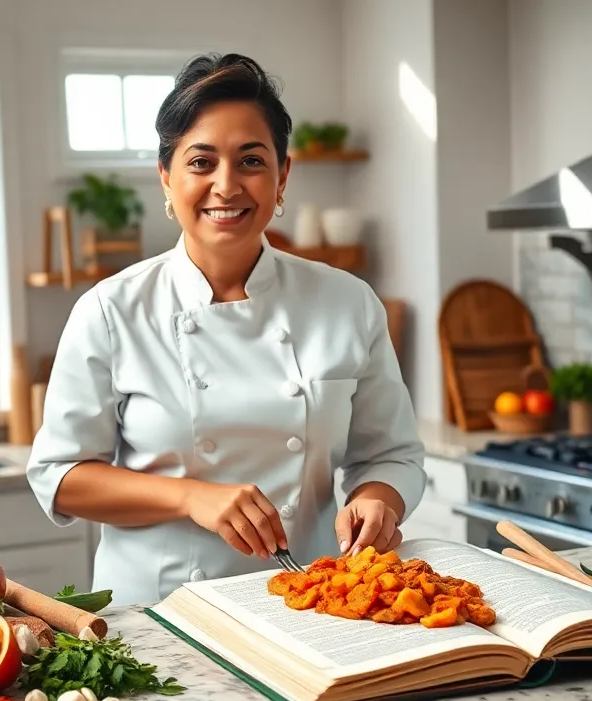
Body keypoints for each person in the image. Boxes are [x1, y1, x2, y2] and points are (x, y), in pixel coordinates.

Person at [27, 53, 426, 606]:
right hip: (161, 616)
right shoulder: (111, 310)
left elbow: (392, 455)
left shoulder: (348, 303)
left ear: (283, 176)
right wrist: (190, 497)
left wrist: (379, 500)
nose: (226, 184)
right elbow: (60, 477)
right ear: (166, 177)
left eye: (251, 161)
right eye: (201, 162)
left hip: (311, 604)